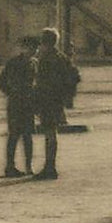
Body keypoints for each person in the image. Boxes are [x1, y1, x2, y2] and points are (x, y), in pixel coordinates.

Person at [33, 27, 80, 180]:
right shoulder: (61, 57)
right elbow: (75, 76)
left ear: (45, 42)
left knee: (49, 133)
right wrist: (66, 95)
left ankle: (50, 167)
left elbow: (41, 81)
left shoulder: (45, 58)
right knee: (52, 132)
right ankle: (50, 165)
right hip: (57, 100)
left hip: (47, 99)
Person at [0, 36, 39, 177]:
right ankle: (10, 166)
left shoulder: (35, 64)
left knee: (28, 136)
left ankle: (29, 165)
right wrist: (11, 93)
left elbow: (36, 83)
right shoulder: (13, 63)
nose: (34, 51)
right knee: (14, 135)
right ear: (25, 48)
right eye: (32, 48)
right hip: (16, 103)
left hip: (28, 104)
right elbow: (1, 81)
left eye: (36, 48)